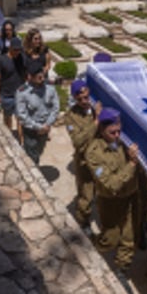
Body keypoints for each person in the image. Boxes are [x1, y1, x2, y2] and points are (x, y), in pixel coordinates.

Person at [85, 108, 140, 289]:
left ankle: (121, 270)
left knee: (128, 237)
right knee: (110, 238)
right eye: (112, 132)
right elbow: (111, 184)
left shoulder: (125, 142)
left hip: (130, 197)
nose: (117, 136)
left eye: (119, 131)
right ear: (101, 130)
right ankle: (95, 245)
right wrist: (131, 164)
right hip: (110, 200)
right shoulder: (94, 153)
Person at [61, 80, 101, 229]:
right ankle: (82, 222)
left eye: (86, 97)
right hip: (85, 161)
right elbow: (77, 141)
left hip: (102, 160)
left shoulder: (97, 107)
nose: (84, 101)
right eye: (80, 99)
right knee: (86, 196)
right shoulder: (71, 116)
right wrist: (96, 123)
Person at [15, 60, 59, 164]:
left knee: (39, 152)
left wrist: (47, 125)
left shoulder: (50, 88)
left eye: (41, 72)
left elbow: (55, 108)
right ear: (29, 76)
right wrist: (38, 127)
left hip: (45, 128)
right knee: (32, 157)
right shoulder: (22, 92)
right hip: (31, 130)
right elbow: (22, 115)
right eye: (36, 74)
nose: (40, 75)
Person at [0, 37, 26, 136]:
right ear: (10, 48)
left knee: (20, 119)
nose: (17, 52)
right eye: (15, 49)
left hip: (20, 95)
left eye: (19, 49)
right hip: (7, 95)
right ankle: (9, 137)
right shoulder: (1, 59)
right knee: (8, 118)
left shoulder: (22, 58)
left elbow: (26, 74)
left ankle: (21, 142)